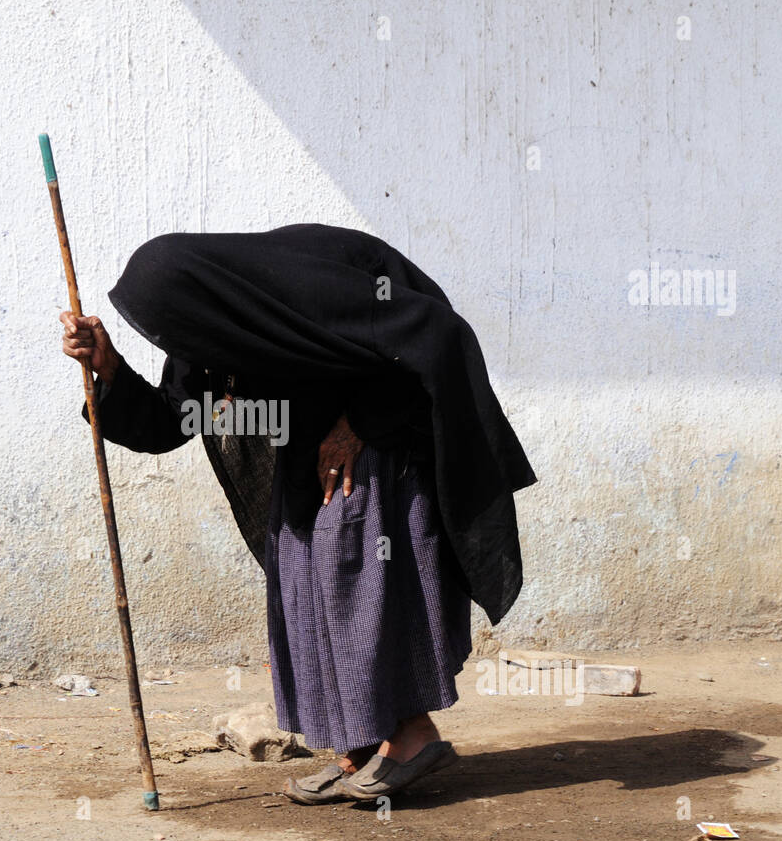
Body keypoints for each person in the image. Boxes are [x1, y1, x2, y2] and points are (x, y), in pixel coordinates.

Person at [60, 224, 535, 803]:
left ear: (202, 296)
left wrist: (357, 425)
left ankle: (412, 735)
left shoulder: (302, 287)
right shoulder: (211, 328)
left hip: (379, 446)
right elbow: (175, 420)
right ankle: (359, 748)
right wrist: (109, 369)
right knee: (304, 587)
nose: (177, 342)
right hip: (307, 458)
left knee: (353, 580)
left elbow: (435, 337)